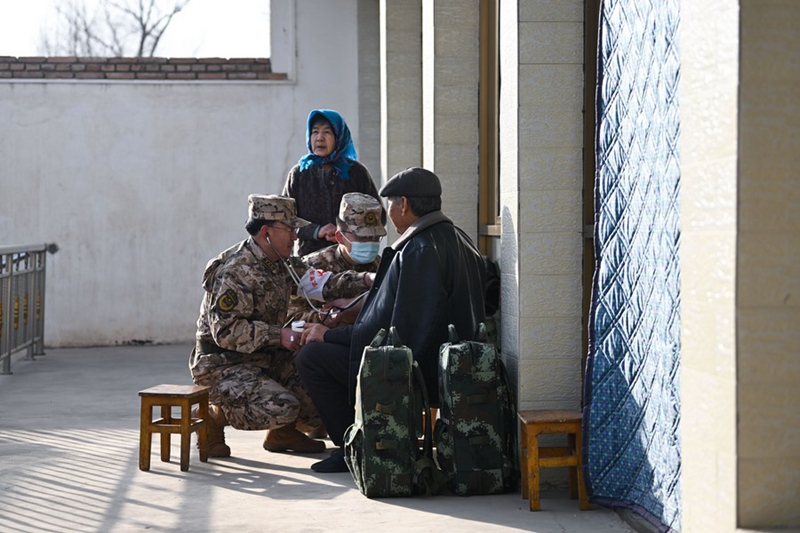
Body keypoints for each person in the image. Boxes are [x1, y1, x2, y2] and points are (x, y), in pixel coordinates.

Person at [294, 167, 487, 473]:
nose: (392, 214)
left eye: (392, 205)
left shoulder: (416, 250)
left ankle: (355, 445)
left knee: (313, 357)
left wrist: (325, 334)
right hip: (454, 362)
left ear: (405, 204)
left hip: (416, 368)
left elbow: (381, 331)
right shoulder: (458, 238)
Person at [189, 194, 373, 458]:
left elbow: (323, 284)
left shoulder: (282, 263)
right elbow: (226, 332)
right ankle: (213, 414)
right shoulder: (235, 270)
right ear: (266, 232)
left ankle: (281, 433)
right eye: (289, 230)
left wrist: (367, 279)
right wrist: (280, 334)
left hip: (264, 357)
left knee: (319, 387)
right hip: (223, 365)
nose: (295, 237)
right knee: (282, 406)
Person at [282, 109, 380, 257]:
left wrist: (346, 233)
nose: (320, 138)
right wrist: (317, 231)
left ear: (339, 136)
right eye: (315, 132)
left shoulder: (356, 173)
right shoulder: (299, 174)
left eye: (327, 132)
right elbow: (284, 220)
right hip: (309, 262)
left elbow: (378, 217)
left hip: (350, 259)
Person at [287, 192, 387, 327]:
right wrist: (326, 318)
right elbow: (291, 318)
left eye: (375, 238)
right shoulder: (312, 267)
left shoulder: (383, 268)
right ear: (340, 237)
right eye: (362, 237)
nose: (370, 243)